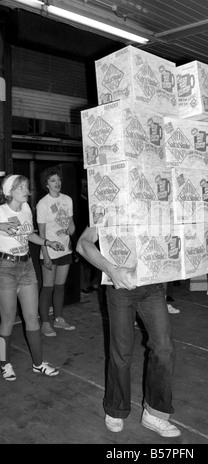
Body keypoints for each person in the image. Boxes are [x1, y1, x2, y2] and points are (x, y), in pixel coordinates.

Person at [76, 226, 181, 438]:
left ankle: (155, 413)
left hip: (152, 285)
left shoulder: (152, 201)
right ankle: (115, 408)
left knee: (164, 348)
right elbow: (82, 244)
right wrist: (111, 270)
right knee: (121, 351)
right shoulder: (110, 199)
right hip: (120, 287)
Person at [0, 174, 61, 381]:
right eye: (22, 187)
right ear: (9, 191)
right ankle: (4, 362)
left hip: (26, 266)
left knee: (31, 318)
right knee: (7, 320)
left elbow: (28, 235)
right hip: (5, 268)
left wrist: (46, 242)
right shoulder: (1, 211)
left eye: (27, 186)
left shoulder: (26, 209)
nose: (27, 190)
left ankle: (38, 363)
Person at [36, 166, 76, 337]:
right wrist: (45, 255)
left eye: (58, 179)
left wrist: (70, 231)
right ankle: (45, 323)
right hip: (50, 252)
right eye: (53, 180)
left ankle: (58, 319)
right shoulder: (43, 204)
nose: (57, 183)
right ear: (46, 184)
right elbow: (42, 234)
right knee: (48, 287)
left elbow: (72, 225)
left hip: (65, 250)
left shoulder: (67, 200)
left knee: (60, 287)